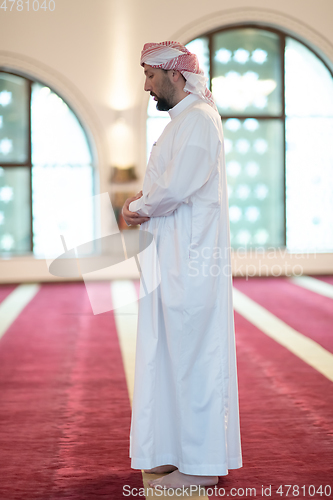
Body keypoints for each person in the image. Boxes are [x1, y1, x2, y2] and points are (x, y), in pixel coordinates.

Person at [122, 41, 242, 490]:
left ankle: (203, 465)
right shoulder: (180, 124)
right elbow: (165, 190)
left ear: (177, 75)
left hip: (191, 266)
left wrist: (138, 205)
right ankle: (175, 452)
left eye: (151, 76)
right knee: (167, 358)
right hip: (169, 262)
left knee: (194, 359)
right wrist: (142, 205)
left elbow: (175, 189)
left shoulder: (199, 121)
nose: (147, 87)